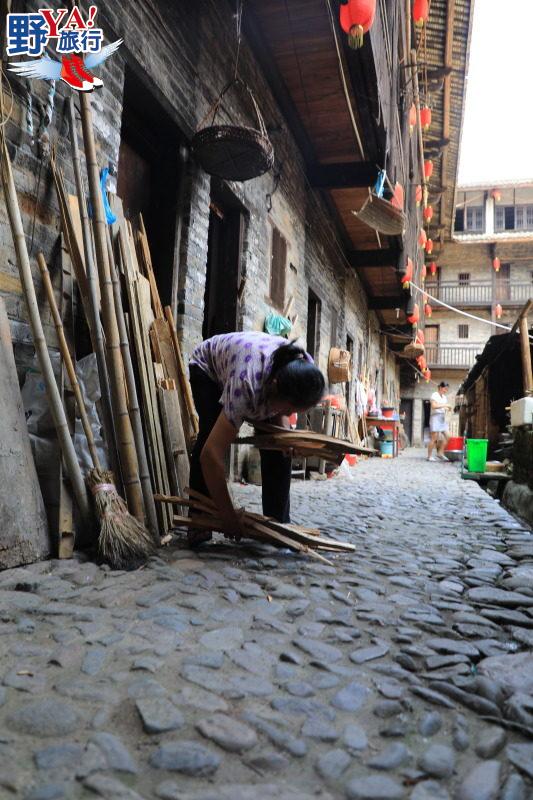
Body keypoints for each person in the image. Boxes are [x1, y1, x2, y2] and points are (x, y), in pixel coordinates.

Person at [188, 332, 325, 545]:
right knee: (208, 437)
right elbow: (210, 455)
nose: (290, 416)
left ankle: (277, 523)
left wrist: (286, 439)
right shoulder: (245, 386)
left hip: (259, 371)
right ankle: (199, 521)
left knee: (279, 447)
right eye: (289, 409)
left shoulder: (305, 370)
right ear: (275, 389)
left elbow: (282, 416)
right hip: (208, 369)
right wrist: (228, 515)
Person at [427, 381, 451, 462]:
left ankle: (440, 453)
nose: (446, 390)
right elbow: (434, 406)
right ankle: (429, 456)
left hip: (442, 418)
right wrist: (445, 405)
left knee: (448, 436)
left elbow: (443, 407)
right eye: (445, 388)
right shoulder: (434, 395)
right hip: (435, 417)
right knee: (434, 438)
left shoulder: (444, 397)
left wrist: (448, 408)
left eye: (447, 389)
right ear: (440, 387)